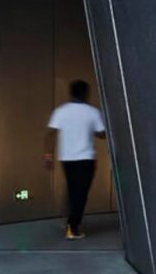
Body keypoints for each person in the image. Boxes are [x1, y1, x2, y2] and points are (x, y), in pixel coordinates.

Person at [44, 79, 106, 240]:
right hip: (86, 159)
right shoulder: (93, 112)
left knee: (73, 191)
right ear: (86, 93)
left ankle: (71, 222)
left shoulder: (61, 111)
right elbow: (102, 134)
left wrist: (48, 155)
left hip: (67, 159)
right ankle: (73, 228)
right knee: (81, 193)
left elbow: (51, 133)